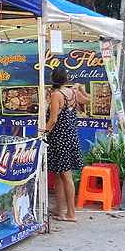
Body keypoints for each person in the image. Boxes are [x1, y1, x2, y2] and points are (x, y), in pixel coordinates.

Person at [45, 66, 89, 222]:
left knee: (66, 175)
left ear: (52, 79)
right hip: (71, 137)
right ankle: (60, 209)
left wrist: (43, 134)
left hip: (59, 138)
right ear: (66, 79)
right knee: (58, 174)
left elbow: (53, 120)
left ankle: (71, 214)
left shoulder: (57, 95)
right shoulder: (73, 93)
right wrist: (81, 88)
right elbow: (88, 99)